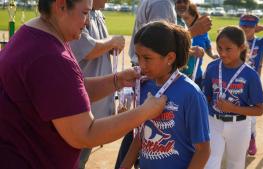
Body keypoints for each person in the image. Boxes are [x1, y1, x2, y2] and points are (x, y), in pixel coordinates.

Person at [0, 0, 167, 168]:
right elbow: (85, 133)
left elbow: (68, 93)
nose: (87, 21)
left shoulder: (35, 32)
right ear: (61, 6)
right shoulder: (50, 57)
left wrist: (117, 80)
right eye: (85, 13)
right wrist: (145, 112)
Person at [115, 0, 212, 167]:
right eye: (138, 57)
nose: (141, 64)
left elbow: (203, 150)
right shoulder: (144, 86)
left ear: (170, 58)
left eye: (147, 58)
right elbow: (139, 137)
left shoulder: (191, 94)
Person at [69, 0, 125, 167]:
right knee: (75, 157)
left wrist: (111, 46)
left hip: (98, 99)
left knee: (82, 156)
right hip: (82, 99)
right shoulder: (78, 13)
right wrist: (112, 42)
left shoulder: (97, 13)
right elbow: (86, 49)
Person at [202, 26, 263, 169]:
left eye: (228, 49)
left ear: (242, 47)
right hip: (213, 122)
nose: (222, 53)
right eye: (219, 48)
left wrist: (233, 108)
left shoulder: (250, 74)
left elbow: (259, 110)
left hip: (240, 125)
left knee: (235, 164)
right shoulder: (212, 67)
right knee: (210, 163)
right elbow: (205, 98)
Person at [239, 14, 263, 156]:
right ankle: (239, 140)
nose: (246, 28)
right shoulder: (236, 41)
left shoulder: (260, 42)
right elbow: (220, 32)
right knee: (237, 111)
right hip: (236, 82)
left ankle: (251, 138)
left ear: (255, 27)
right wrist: (238, 29)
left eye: (250, 26)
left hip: (253, 84)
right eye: (243, 25)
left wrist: (261, 28)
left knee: (252, 117)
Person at [180, 3, 218, 86]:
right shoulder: (179, 32)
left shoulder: (203, 32)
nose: (184, 22)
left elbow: (208, 47)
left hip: (197, 77)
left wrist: (213, 55)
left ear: (195, 17)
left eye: (186, 18)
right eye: (182, 19)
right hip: (180, 77)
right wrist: (190, 51)